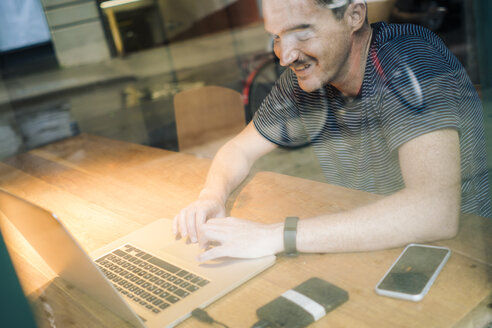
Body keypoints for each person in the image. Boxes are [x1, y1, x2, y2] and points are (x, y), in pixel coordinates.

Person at [173, 0, 490, 262]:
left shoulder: (408, 61)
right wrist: (211, 196)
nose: (285, 56)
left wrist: (273, 236)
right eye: (278, 37)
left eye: (302, 33)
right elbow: (238, 150)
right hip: (370, 246)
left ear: (354, 15)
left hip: (458, 257)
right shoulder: (307, 77)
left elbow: (433, 212)